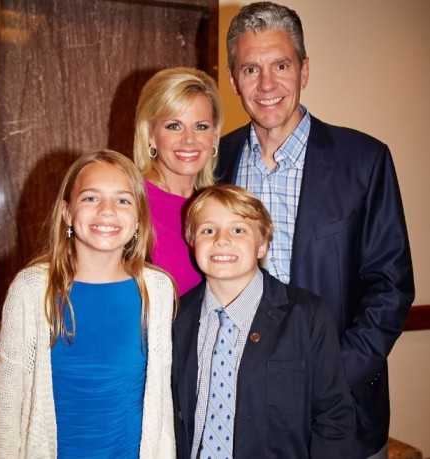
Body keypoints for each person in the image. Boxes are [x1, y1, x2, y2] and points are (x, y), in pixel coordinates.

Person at [216, 3, 415, 458]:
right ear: (233, 80)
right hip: (236, 416)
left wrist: (331, 381)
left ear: (304, 71)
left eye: (281, 65)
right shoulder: (215, 163)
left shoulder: (364, 161)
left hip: (338, 420)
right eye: (251, 68)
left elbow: (391, 288)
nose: (267, 85)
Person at [0, 150, 176, 458]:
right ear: (67, 213)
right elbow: (6, 410)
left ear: (139, 218)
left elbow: (162, 408)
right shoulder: (31, 290)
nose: (107, 210)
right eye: (90, 198)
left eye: (123, 200)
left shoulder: (157, 290)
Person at [172, 184, 355, 458]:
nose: (222, 239)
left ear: (262, 245)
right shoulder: (176, 318)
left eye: (239, 230)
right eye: (208, 230)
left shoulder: (307, 316)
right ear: (192, 241)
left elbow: (334, 416)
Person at [134, 67, 223, 295]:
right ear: (151, 135)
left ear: (214, 135)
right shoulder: (132, 202)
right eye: (174, 126)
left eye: (201, 127)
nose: (189, 140)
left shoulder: (221, 207)